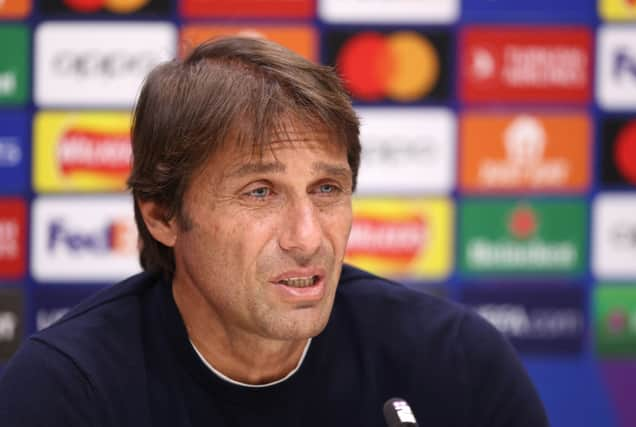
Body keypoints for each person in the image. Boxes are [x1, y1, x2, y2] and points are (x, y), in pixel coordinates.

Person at [0, 36, 549, 426]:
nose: (308, 238)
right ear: (162, 215)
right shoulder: (66, 393)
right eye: (259, 192)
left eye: (327, 190)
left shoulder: (458, 364)